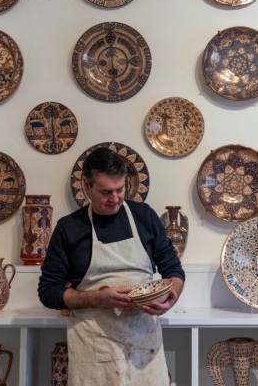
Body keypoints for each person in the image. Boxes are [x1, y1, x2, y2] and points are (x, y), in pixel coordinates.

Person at [38, 147, 185, 385]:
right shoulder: (69, 228)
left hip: (143, 344)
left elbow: (174, 271)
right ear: (87, 186)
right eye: (106, 192)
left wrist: (171, 296)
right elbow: (48, 292)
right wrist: (99, 298)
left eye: (120, 190)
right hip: (95, 347)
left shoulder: (144, 217)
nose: (115, 199)